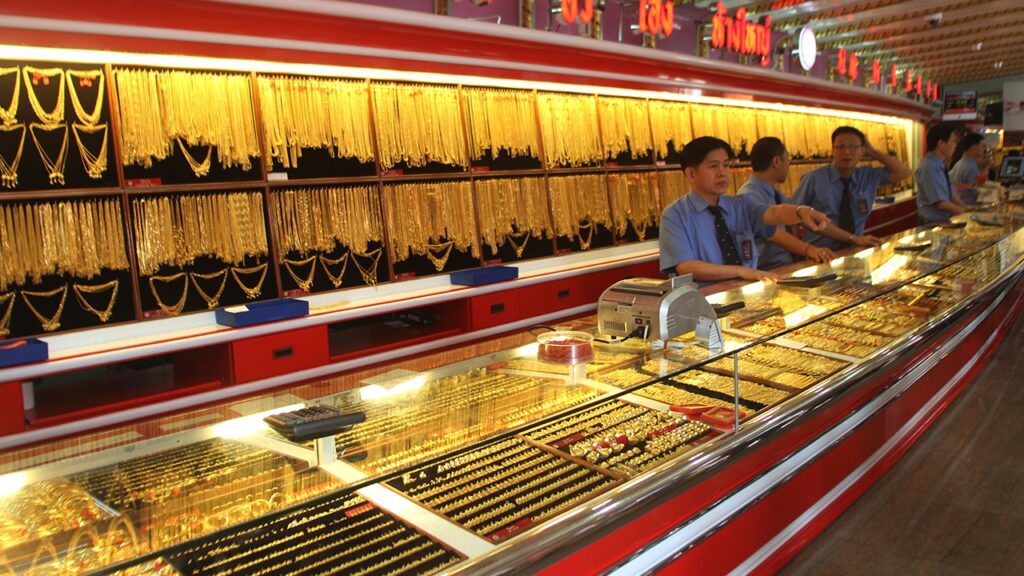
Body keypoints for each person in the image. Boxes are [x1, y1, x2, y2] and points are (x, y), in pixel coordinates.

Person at [659, 136, 830, 284]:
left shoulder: (740, 205)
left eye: (726, 165)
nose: (722, 173)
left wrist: (799, 211)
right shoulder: (674, 215)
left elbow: (773, 213)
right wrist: (740, 271)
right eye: (713, 166)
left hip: (747, 291)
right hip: (705, 300)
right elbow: (687, 267)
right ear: (691, 174)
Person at [793, 126, 912, 250]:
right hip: (818, 252)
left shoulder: (867, 176)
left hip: (854, 249)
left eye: (854, 147)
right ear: (832, 150)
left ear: (862, 150)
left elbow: (904, 172)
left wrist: (873, 151)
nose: (847, 152)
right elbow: (794, 215)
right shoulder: (813, 179)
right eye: (841, 146)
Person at [737, 137, 835, 269]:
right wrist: (810, 250)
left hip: (787, 265)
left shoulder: (774, 193)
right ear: (777, 162)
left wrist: (851, 238)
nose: (789, 164)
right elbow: (773, 233)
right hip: (770, 270)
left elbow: (801, 219)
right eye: (787, 159)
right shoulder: (749, 194)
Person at [916, 124, 964, 224]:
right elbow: (941, 203)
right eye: (953, 141)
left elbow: (951, 192)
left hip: (943, 220)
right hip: (932, 223)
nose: (955, 145)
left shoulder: (940, 165)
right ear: (941, 143)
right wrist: (965, 213)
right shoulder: (929, 167)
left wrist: (964, 206)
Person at [949, 132, 986, 206]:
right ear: (973, 147)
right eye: (982, 146)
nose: (985, 150)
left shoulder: (959, 163)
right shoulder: (970, 167)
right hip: (967, 207)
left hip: (958, 205)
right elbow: (979, 191)